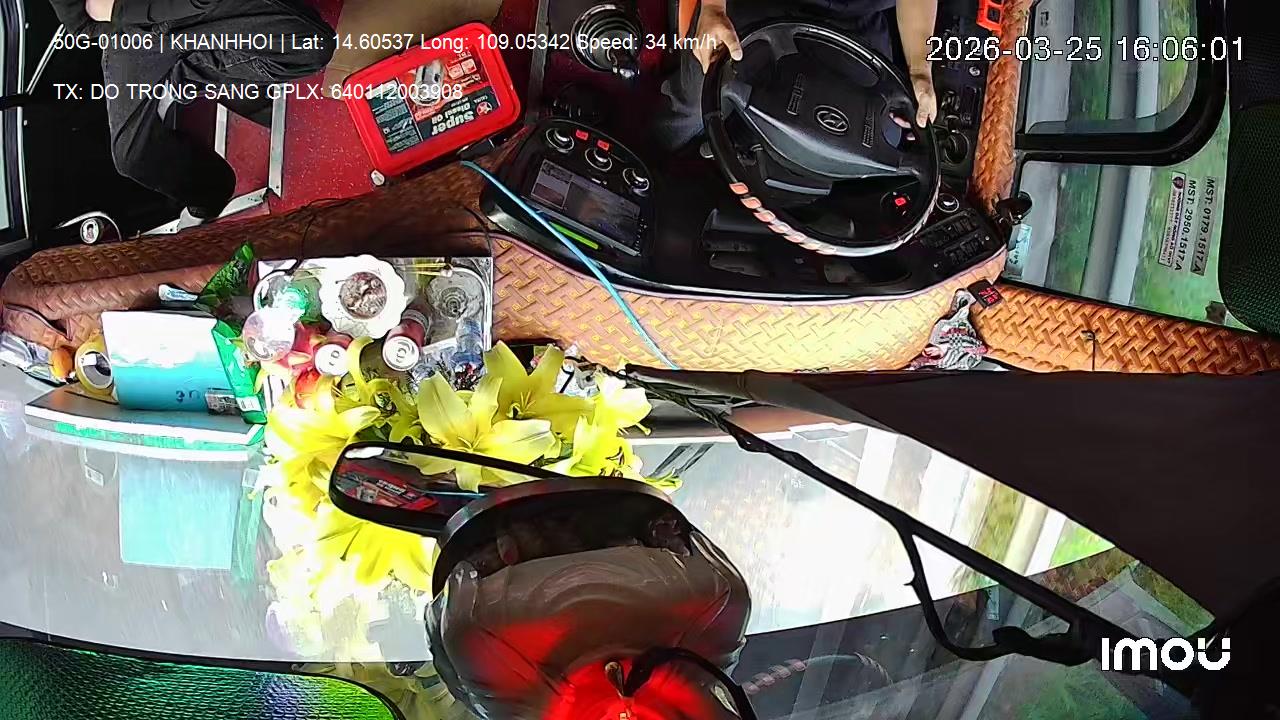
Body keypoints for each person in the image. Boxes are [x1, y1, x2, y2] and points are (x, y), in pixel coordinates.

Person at [47, 0, 334, 221]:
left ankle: (188, 74)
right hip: (132, 30)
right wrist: (120, 20)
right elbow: (81, 23)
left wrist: (115, 9)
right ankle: (212, 191)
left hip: (190, 8)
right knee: (131, 156)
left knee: (312, 47)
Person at [659, 0, 939, 150]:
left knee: (882, 139)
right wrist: (713, 8)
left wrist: (919, 70)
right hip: (755, 5)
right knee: (695, 105)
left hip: (854, 25)